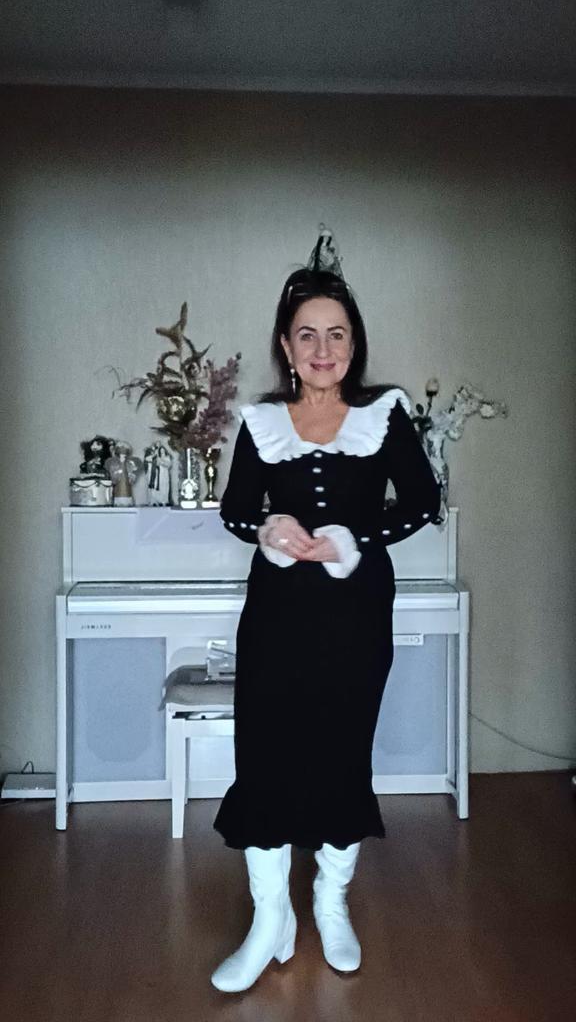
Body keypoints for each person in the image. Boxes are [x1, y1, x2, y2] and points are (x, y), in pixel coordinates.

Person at [211, 265, 441, 993]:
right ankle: (269, 918)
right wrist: (269, 527)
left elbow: (423, 503)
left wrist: (353, 538)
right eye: (306, 334)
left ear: (353, 344)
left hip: (356, 610)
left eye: (336, 335)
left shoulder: (385, 414)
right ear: (285, 346)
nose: (322, 349)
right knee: (265, 753)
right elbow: (235, 509)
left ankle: (330, 901)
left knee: (343, 746)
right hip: (277, 613)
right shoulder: (262, 422)